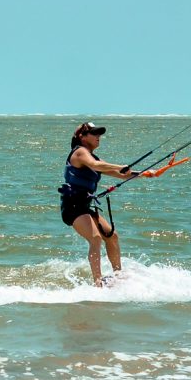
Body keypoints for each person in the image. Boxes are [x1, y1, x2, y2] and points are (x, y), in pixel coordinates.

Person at [59, 121, 138, 287]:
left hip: (85, 206)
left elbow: (119, 173)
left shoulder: (92, 157)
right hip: (72, 207)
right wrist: (121, 166)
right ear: (82, 137)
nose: (98, 137)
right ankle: (98, 283)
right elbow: (97, 166)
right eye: (94, 133)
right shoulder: (80, 152)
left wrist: (147, 173)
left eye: (99, 134)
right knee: (95, 238)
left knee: (111, 236)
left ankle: (118, 276)